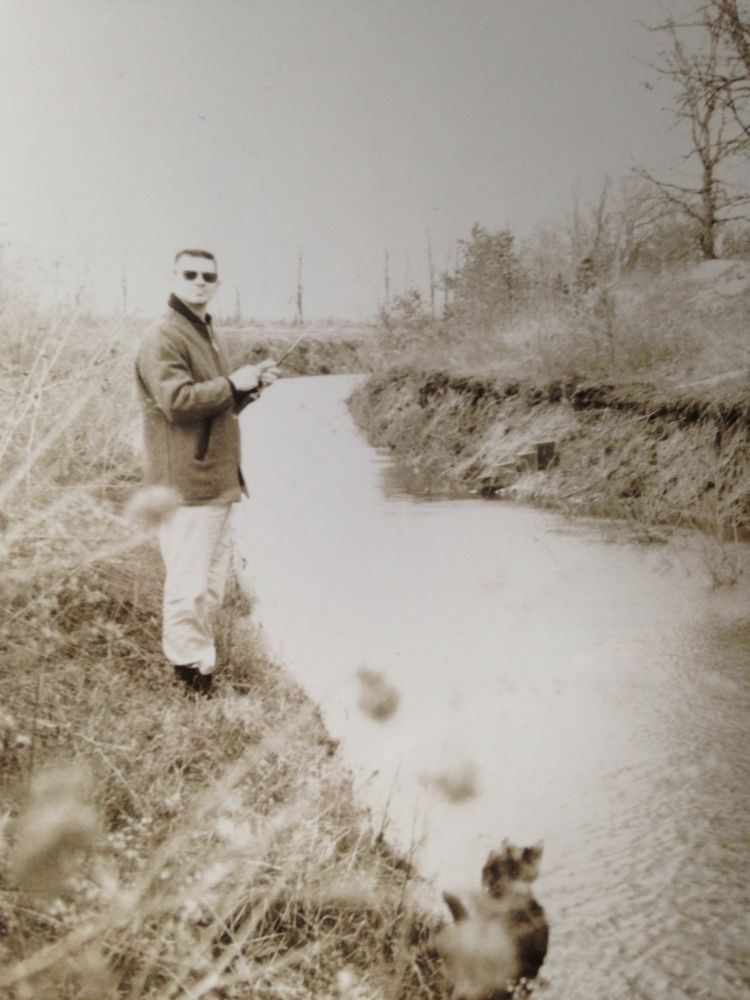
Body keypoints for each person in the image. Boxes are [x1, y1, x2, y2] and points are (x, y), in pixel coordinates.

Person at [135, 249, 279, 695]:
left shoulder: (204, 330)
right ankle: (189, 679)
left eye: (208, 276)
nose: (200, 281)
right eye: (190, 274)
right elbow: (178, 404)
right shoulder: (165, 335)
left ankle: (201, 669)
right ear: (173, 277)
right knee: (189, 585)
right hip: (186, 487)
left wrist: (248, 391)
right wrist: (233, 383)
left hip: (215, 485)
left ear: (217, 284)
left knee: (209, 587)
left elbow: (212, 407)